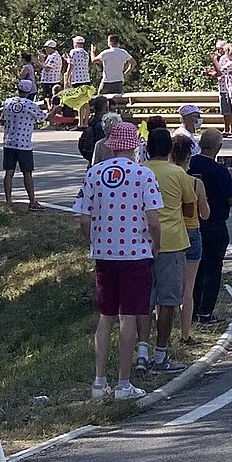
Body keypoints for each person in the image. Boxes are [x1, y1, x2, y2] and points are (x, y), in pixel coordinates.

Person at [72, 120, 163, 401]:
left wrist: (95, 240)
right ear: (134, 146)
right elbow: (154, 220)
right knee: (129, 317)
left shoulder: (94, 174)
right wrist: (155, 244)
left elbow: (83, 218)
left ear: (111, 146)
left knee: (105, 316)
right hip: (135, 252)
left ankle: (99, 380)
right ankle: (123, 382)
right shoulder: (143, 175)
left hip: (104, 253)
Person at [142, 124, 195, 373]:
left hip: (141, 242)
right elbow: (189, 207)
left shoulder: (139, 171)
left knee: (144, 300)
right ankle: (161, 354)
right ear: (170, 149)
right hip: (172, 242)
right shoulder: (177, 173)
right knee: (168, 301)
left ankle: (142, 350)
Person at [188, 127, 232, 324]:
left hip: (192, 222)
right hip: (215, 224)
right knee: (213, 269)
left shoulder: (190, 165)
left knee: (194, 269)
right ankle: (205, 312)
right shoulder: (220, 171)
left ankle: (191, 310)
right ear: (218, 147)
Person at [171, 132, 208, 341]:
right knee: (188, 289)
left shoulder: (162, 178)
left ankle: (164, 333)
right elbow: (205, 213)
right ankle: (185, 333)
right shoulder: (195, 183)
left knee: (165, 288)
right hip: (192, 231)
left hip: (170, 233)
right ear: (188, 158)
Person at [1, 73, 45, 210]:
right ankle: (32, 201)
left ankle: (8, 200)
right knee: (27, 173)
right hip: (24, 143)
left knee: (9, 172)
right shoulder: (30, 104)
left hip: (9, 141)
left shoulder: (8, 102)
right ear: (29, 91)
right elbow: (43, 117)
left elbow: (2, 119)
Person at [39, 39, 64, 106]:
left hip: (51, 81)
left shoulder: (54, 56)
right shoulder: (50, 56)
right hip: (48, 81)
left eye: (46, 48)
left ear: (51, 48)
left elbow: (47, 68)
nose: (45, 50)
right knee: (47, 98)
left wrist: (41, 61)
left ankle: (51, 112)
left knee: (50, 99)